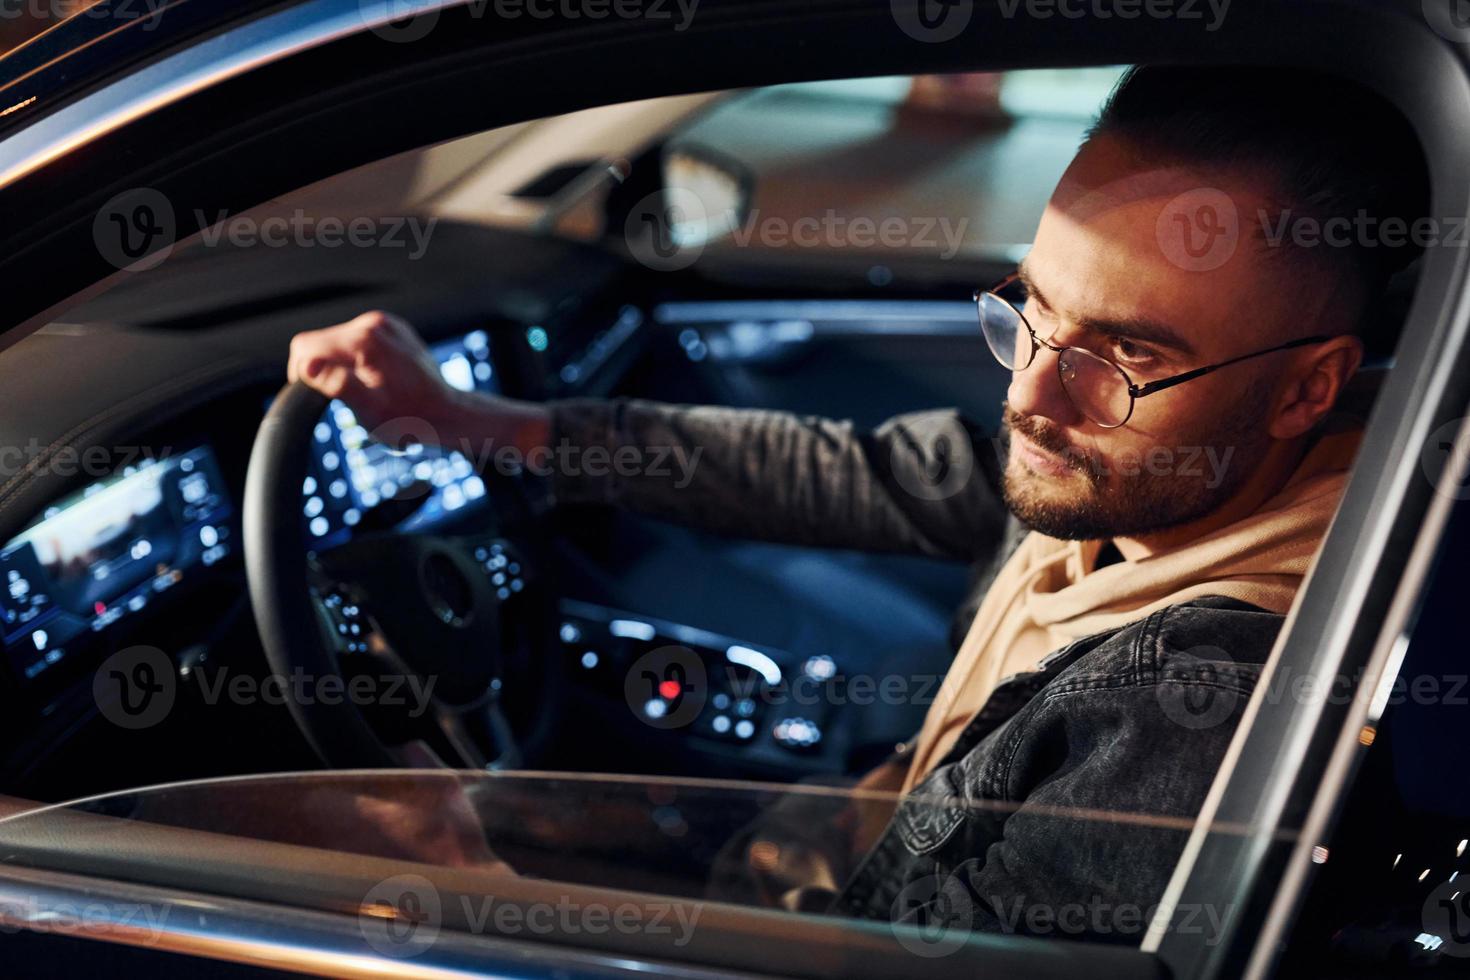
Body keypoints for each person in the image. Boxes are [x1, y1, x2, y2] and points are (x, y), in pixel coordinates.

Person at [286, 66, 1427, 941]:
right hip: (832, 845)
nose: (1030, 398)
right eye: (1030, 310)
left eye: (1124, 355)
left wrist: (479, 904)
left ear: (1307, 387)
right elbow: (843, 468)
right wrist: (486, 426)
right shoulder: (1148, 469)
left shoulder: (1196, 707)